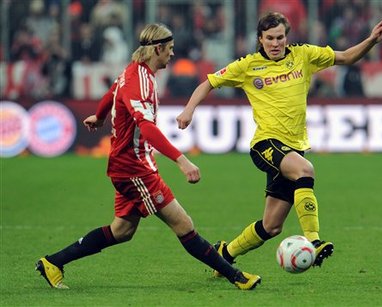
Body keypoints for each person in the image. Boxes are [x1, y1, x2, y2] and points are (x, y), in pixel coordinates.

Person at [35, 23, 261, 291]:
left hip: (128, 165)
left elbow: (111, 92)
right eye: (170, 49)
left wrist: (100, 115)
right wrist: (181, 160)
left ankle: (53, 263)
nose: (172, 55)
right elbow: (148, 128)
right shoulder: (140, 81)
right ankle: (236, 277)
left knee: (122, 231)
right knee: (183, 224)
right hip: (134, 169)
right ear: (158, 48)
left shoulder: (134, 73)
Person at [176, 12, 382, 272]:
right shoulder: (248, 65)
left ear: (286, 37)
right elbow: (208, 83)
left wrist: (371, 40)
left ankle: (226, 252)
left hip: (294, 147)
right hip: (265, 144)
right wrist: (188, 110)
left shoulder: (303, 55)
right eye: (269, 38)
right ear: (260, 39)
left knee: (271, 226)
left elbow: (346, 56)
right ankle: (314, 241)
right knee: (305, 170)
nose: (276, 43)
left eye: (280, 37)